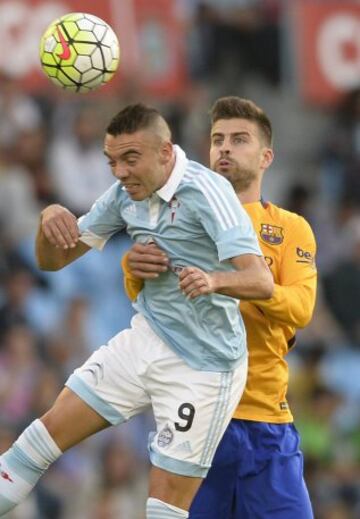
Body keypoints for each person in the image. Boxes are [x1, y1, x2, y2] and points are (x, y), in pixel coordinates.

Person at [0, 103, 273, 519]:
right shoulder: (124, 196)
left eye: (130, 158)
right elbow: (52, 262)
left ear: (165, 152)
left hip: (203, 367)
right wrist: (49, 218)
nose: (120, 172)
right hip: (146, 339)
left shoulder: (207, 192)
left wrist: (214, 280)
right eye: (112, 161)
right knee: (37, 441)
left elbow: (261, 281)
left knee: (162, 509)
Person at [122, 97, 317, 518]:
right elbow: (148, 305)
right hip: (198, 419)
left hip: (267, 421)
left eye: (239, 140)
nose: (224, 148)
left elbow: (301, 309)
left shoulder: (290, 228)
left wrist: (236, 285)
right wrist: (132, 268)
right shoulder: (175, 216)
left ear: (266, 157)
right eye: (217, 139)